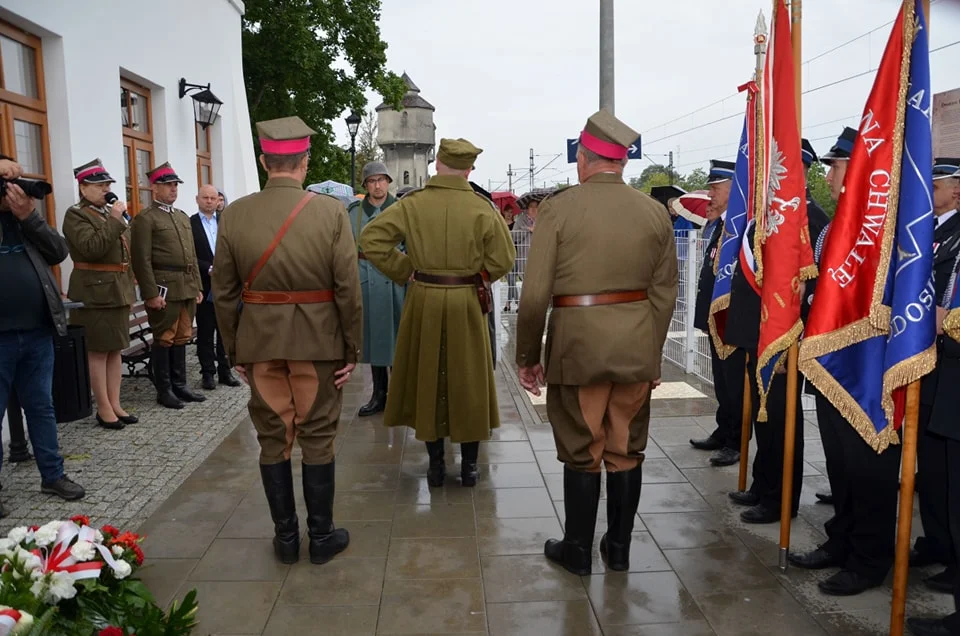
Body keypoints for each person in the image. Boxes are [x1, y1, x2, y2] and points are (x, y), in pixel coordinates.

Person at [515, 110, 678, 575]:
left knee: (582, 448)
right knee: (626, 447)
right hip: (634, 350)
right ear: (622, 163)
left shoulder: (558, 209)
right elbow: (665, 294)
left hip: (578, 347)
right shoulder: (653, 211)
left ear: (583, 159)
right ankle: (620, 549)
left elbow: (533, 297)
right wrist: (652, 354)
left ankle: (578, 550)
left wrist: (527, 357)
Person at [212, 115, 362, 565]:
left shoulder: (234, 213)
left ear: (264, 161)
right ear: (306, 162)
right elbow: (347, 288)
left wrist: (235, 348)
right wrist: (351, 348)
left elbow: (223, 291)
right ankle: (320, 538)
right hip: (317, 343)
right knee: (317, 435)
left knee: (272, 435)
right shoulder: (331, 211)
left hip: (259, 342)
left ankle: (285, 539)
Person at [359, 138, 516, 488]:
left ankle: (434, 465)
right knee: (470, 380)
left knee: (428, 378)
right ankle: (471, 467)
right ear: (469, 169)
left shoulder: (411, 204)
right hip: (466, 300)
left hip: (424, 297)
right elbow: (504, 260)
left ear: (437, 164)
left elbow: (371, 240)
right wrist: (479, 276)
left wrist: (405, 270)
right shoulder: (482, 207)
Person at [787, 129, 903, 596]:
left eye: (836, 167)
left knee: (869, 469)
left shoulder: (883, 229)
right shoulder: (837, 225)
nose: (828, 176)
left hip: (867, 368)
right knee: (840, 465)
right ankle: (842, 540)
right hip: (830, 360)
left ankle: (870, 558)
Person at [0, 154, 86, 516]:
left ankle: (53, 475)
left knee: (41, 407)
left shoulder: (25, 222)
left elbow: (59, 250)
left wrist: (28, 217)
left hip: (37, 332)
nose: (15, 190)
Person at [911, 156, 960, 592]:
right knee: (930, 461)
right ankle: (936, 540)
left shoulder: (954, 234)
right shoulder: (928, 229)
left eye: (936, 185)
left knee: (949, 468)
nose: (928, 192)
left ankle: (951, 552)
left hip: (950, 358)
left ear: (955, 190)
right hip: (930, 359)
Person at [62, 158, 138, 430]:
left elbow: (124, 254)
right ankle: (103, 408)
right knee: (97, 352)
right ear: (83, 188)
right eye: (99, 185)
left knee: (115, 349)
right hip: (94, 293)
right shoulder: (76, 215)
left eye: (107, 184)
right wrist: (116, 220)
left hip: (116, 291)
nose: (106, 189)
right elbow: (92, 248)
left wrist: (128, 291)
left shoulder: (107, 214)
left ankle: (115, 403)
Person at [130, 162, 206, 410]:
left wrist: (196, 286)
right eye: (168, 185)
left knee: (182, 335)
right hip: (164, 286)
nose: (174, 189)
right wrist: (150, 293)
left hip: (185, 286)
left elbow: (191, 256)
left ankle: (180, 384)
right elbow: (142, 259)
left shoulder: (182, 217)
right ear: (155, 188)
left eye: (175, 185)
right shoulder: (146, 219)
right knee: (164, 337)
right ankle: (164, 390)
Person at [689, 160, 745, 468]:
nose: (710, 193)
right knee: (721, 381)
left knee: (735, 383)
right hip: (716, 316)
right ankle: (724, 430)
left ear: (733, 188)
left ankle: (736, 440)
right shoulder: (721, 224)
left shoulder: (739, 225)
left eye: (715, 188)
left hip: (731, 319)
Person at [347, 162, 405, 417]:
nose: (377, 185)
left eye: (382, 180)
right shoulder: (354, 212)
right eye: (372, 181)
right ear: (366, 185)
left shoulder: (401, 209)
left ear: (389, 182)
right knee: (374, 340)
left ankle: (401, 396)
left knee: (399, 338)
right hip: (365, 279)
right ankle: (379, 394)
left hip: (394, 279)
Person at [190, 184, 240, 390]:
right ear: (197, 199)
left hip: (226, 285)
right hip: (204, 284)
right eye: (205, 198)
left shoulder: (225, 222)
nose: (210, 201)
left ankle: (225, 371)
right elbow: (189, 256)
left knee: (225, 330)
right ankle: (207, 373)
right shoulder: (189, 224)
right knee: (205, 331)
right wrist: (208, 268)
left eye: (213, 198)